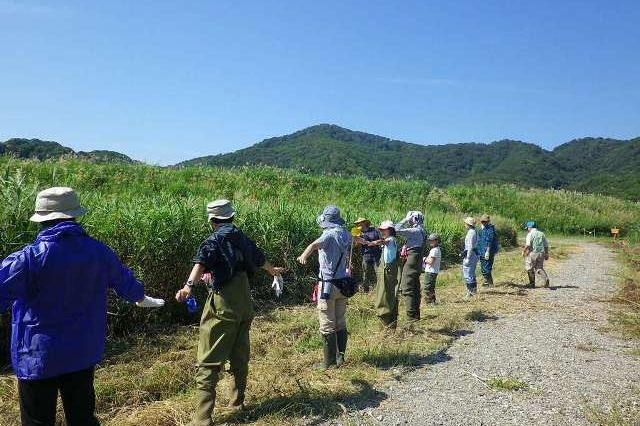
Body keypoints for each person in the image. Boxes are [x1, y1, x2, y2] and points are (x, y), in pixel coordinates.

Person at [0, 187, 164, 426]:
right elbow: (125, 282)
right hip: (81, 352)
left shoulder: (29, 258)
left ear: (42, 220)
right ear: (75, 216)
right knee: (82, 417)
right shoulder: (99, 252)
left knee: (37, 420)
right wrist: (141, 298)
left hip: (38, 356)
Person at [175, 199, 284, 426]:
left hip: (224, 304)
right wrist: (273, 272)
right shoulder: (241, 237)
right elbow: (260, 259)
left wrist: (188, 286)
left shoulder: (215, 239)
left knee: (208, 361)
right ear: (231, 217)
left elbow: (200, 263)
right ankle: (237, 404)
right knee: (239, 355)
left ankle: (202, 420)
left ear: (212, 220)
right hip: (244, 304)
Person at [297, 205, 351, 369]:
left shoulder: (328, 235)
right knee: (340, 322)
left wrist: (303, 256)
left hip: (327, 285)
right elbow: (356, 240)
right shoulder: (345, 233)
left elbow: (314, 245)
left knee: (327, 324)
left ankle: (329, 363)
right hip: (342, 284)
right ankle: (340, 357)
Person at [395, 211, 426, 321]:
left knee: (407, 286)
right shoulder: (422, 230)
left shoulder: (414, 231)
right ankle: (416, 314)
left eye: (411, 219)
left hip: (412, 260)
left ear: (414, 219)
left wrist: (405, 219)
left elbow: (395, 229)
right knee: (415, 286)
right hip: (417, 261)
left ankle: (411, 317)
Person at [372, 221, 399, 328]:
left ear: (390, 230)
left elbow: (382, 242)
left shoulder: (391, 239)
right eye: (381, 230)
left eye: (384, 229)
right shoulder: (390, 240)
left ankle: (387, 323)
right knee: (387, 294)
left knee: (385, 294)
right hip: (388, 270)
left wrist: (368, 242)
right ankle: (390, 323)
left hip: (388, 271)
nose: (382, 231)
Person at [354, 218, 382, 293]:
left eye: (360, 223)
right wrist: (357, 239)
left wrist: (374, 243)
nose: (358, 225)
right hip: (366, 254)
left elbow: (382, 240)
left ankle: (380, 290)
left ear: (364, 223)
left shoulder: (374, 230)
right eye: (358, 223)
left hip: (376, 254)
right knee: (366, 273)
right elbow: (356, 245)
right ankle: (365, 290)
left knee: (379, 272)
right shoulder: (358, 232)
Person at [523, 220, 550, 288]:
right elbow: (546, 245)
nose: (527, 230)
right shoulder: (541, 233)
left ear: (530, 227)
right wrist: (546, 254)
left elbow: (528, 245)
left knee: (529, 268)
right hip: (541, 253)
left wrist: (524, 251)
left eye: (527, 228)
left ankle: (532, 284)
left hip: (533, 253)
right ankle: (546, 278)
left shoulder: (530, 234)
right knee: (539, 268)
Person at [477, 214, 500, 287]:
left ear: (488, 221)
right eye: (482, 221)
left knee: (487, 267)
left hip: (488, 251)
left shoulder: (490, 229)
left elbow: (490, 241)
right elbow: (480, 239)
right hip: (481, 251)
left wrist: (488, 251)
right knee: (483, 267)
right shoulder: (482, 229)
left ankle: (490, 283)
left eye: (485, 221)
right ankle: (487, 281)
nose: (483, 223)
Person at [462, 216, 479, 299]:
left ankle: (470, 293)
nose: (464, 224)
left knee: (468, 274)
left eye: (465, 223)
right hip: (473, 254)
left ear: (468, 224)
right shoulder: (474, 231)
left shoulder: (471, 233)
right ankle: (474, 291)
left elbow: (470, 246)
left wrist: (467, 257)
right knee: (472, 273)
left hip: (471, 255)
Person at [423, 233, 442, 304]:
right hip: (433, 271)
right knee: (431, 287)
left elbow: (430, 262)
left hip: (431, 271)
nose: (430, 242)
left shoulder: (434, 250)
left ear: (437, 241)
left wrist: (424, 259)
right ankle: (433, 301)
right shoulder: (436, 249)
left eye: (432, 240)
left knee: (427, 287)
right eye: (430, 240)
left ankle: (429, 302)